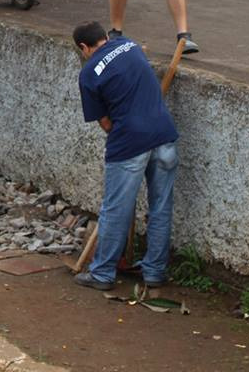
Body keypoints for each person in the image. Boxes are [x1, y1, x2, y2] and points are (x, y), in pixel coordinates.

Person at [72, 21, 179, 290]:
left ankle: (102, 274)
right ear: (106, 37)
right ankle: (154, 272)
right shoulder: (129, 45)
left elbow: (106, 124)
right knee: (161, 207)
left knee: (115, 210)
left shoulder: (88, 75)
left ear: (84, 47)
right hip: (165, 135)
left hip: (129, 143)